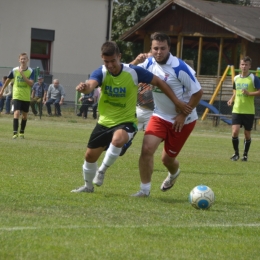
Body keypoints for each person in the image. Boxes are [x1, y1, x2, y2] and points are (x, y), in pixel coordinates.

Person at [71, 41, 192, 193]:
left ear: (119, 57)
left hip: (126, 121)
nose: (110, 65)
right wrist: (84, 88)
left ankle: (101, 171)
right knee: (89, 156)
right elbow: (90, 84)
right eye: (106, 61)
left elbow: (159, 82)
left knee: (118, 140)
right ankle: (88, 187)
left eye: (113, 61)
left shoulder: (133, 71)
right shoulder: (101, 72)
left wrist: (177, 102)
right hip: (104, 122)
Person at [130, 32, 203, 197]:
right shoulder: (148, 63)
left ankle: (174, 173)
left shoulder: (180, 68)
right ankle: (144, 190)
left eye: (162, 48)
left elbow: (198, 93)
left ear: (169, 48)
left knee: (167, 160)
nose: (158, 52)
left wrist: (183, 115)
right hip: (160, 116)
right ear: (151, 48)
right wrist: (135, 61)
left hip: (184, 120)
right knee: (147, 149)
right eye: (155, 48)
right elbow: (126, 72)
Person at [227, 56, 260, 162]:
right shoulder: (236, 78)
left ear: (250, 66)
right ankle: (236, 154)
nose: (244, 66)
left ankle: (245, 155)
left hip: (248, 111)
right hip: (237, 109)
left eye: (246, 65)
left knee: (247, 134)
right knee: (235, 131)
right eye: (242, 64)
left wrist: (249, 93)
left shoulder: (254, 78)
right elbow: (235, 91)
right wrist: (232, 98)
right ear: (240, 65)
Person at [0, 53, 34, 139]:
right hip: (17, 95)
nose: (23, 60)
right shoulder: (14, 70)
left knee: (25, 115)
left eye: (24, 59)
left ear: (27, 60)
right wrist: (2, 90)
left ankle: (22, 132)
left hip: (26, 96)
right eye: (21, 59)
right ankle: (15, 133)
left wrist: (23, 74)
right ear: (19, 60)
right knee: (17, 112)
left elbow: (31, 83)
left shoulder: (31, 71)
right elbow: (7, 81)